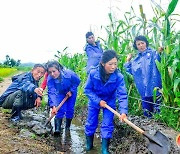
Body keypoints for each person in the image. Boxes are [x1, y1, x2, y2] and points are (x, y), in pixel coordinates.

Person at [84, 50, 128, 154]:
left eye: (115, 64)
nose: (113, 67)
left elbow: (122, 95)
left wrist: (123, 112)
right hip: (95, 101)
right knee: (91, 122)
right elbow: (87, 90)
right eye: (110, 64)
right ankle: (89, 144)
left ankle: (104, 149)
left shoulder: (119, 77)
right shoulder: (93, 73)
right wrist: (98, 101)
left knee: (107, 124)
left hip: (109, 101)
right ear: (103, 63)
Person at [124, 35, 162, 118]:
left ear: (146, 43)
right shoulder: (136, 59)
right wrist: (128, 61)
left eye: (142, 43)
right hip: (143, 91)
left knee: (158, 115)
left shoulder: (153, 54)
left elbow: (160, 60)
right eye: (138, 44)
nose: (141, 45)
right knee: (147, 115)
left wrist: (160, 52)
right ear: (136, 46)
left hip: (155, 89)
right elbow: (130, 71)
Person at [47, 60, 80, 136]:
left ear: (58, 69)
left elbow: (77, 81)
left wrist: (71, 91)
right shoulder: (50, 78)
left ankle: (67, 127)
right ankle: (57, 129)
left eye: (54, 71)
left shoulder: (69, 73)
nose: (52, 74)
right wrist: (53, 106)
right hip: (61, 93)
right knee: (60, 109)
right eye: (50, 72)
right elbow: (51, 92)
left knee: (70, 109)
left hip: (71, 92)